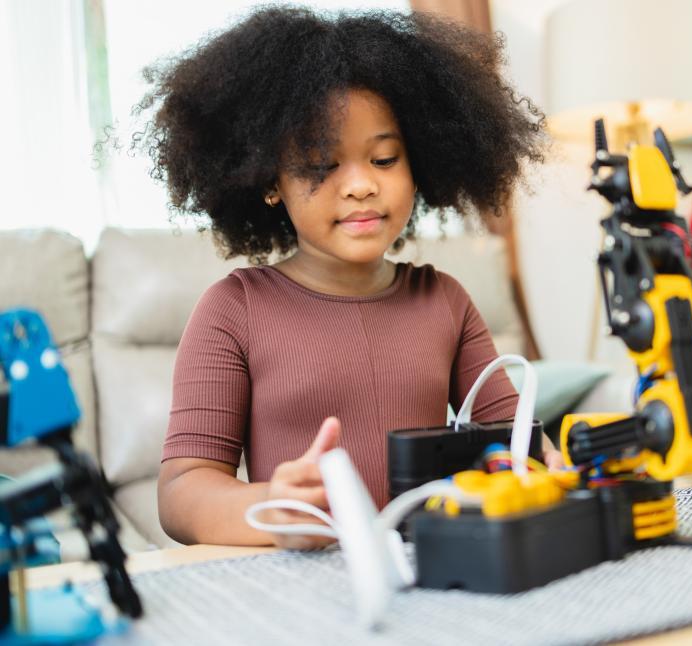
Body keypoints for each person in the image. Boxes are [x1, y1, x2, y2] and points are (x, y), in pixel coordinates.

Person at [140, 6, 559, 549]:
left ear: (420, 165)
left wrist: (549, 468)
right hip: (302, 601)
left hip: (435, 581)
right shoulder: (233, 309)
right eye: (321, 164)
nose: (361, 185)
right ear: (271, 180)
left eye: (384, 159)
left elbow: (517, 443)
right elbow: (181, 493)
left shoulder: (446, 300)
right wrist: (272, 506)